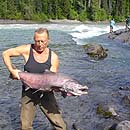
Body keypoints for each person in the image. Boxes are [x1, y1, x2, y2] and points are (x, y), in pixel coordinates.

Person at [2, 28, 66, 130]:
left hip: (46, 93)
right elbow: (5, 53)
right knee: (25, 127)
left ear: (48, 40)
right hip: (28, 93)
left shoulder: (53, 57)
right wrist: (12, 70)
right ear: (34, 39)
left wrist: (60, 88)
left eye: (43, 41)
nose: (40, 44)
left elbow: (53, 78)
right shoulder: (27, 50)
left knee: (60, 126)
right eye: (37, 41)